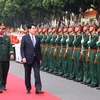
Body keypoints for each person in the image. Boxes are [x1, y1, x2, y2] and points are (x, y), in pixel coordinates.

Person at [20, 23, 44, 94]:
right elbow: (22, 48)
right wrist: (23, 57)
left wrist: (40, 58)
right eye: (33, 28)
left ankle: (38, 88)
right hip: (27, 58)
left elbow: (39, 49)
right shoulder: (25, 37)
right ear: (29, 29)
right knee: (27, 74)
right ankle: (28, 88)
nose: (34, 30)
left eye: (35, 28)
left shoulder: (37, 38)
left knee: (37, 73)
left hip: (36, 58)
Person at [0, 23, 14, 93]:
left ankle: (3, 84)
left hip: (6, 58)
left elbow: (10, 46)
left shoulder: (7, 37)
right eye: (0, 28)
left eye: (3, 29)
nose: (1, 30)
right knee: (0, 72)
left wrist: (11, 53)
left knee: (5, 72)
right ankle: (0, 86)